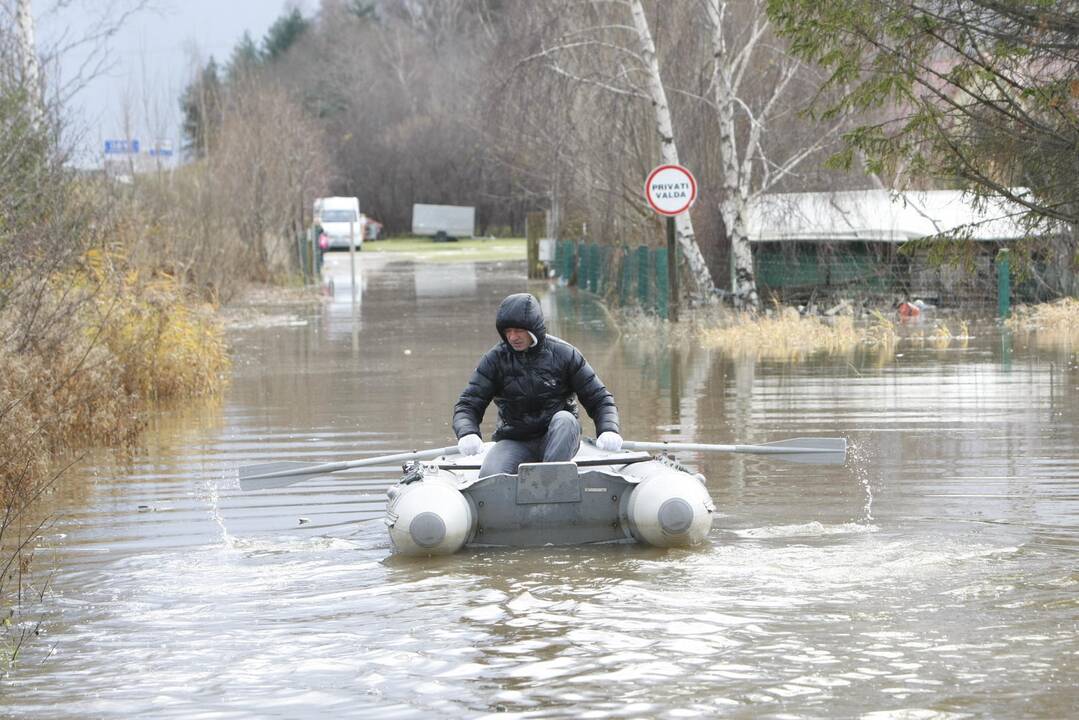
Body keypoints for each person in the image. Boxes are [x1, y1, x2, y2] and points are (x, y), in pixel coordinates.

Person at [453, 292, 622, 477]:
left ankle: (547, 481)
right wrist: (467, 432)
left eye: (518, 330)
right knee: (490, 477)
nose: (512, 337)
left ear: (532, 328)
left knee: (565, 420)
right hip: (515, 440)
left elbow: (599, 399)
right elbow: (468, 404)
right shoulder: (495, 360)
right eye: (507, 331)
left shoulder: (565, 354)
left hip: (558, 438)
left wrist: (608, 429)